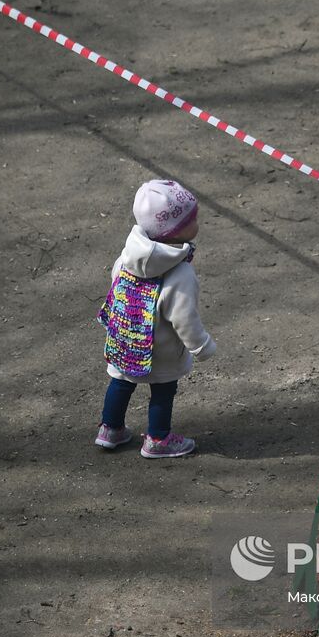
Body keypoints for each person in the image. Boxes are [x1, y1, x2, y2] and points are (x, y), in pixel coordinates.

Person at [95, 179, 216, 458]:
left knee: (121, 381)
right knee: (163, 389)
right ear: (174, 231)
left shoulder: (128, 256)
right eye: (191, 218)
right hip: (161, 349)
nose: (197, 220)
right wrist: (202, 346)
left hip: (126, 338)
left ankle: (110, 428)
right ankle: (158, 438)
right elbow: (184, 317)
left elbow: (116, 284)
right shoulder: (180, 274)